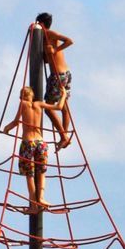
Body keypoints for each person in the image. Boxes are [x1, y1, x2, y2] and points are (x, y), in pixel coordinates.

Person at [1, 84, 66, 212]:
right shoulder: (39, 104)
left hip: (28, 143)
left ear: (22, 97)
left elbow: (16, 122)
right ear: (32, 96)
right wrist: (63, 94)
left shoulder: (23, 104)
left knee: (29, 175)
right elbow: (59, 107)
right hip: (41, 143)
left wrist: (6, 129)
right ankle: (41, 197)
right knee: (41, 172)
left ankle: (33, 205)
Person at [35, 12, 74, 150]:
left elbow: (69, 41)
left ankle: (64, 136)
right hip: (64, 73)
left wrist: (55, 49)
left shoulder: (50, 34)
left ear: (42, 24)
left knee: (48, 108)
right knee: (64, 107)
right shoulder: (42, 39)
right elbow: (47, 60)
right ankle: (64, 137)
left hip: (58, 76)